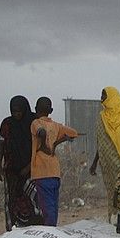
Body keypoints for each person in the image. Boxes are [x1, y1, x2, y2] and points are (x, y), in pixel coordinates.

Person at [30, 96, 78, 227]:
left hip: (41, 171)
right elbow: (73, 133)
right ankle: (53, 228)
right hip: (55, 172)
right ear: (51, 110)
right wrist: (56, 143)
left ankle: (50, 232)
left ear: (35, 109)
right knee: (53, 205)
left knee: (46, 208)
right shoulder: (56, 126)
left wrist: (45, 146)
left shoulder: (35, 123)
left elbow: (40, 132)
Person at [0, 96, 41, 230]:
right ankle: (13, 229)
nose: (16, 114)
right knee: (12, 200)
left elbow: (39, 147)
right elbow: (0, 144)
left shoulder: (34, 122)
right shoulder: (7, 124)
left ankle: (34, 228)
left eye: (19, 111)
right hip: (12, 171)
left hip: (32, 170)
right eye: (14, 111)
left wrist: (28, 167)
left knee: (32, 200)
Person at [89, 86, 120, 218]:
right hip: (106, 162)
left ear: (112, 97)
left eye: (104, 96)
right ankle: (114, 217)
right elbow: (100, 142)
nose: (101, 99)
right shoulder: (102, 117)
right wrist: (95, 162)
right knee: (111, 190)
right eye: (101, 95)